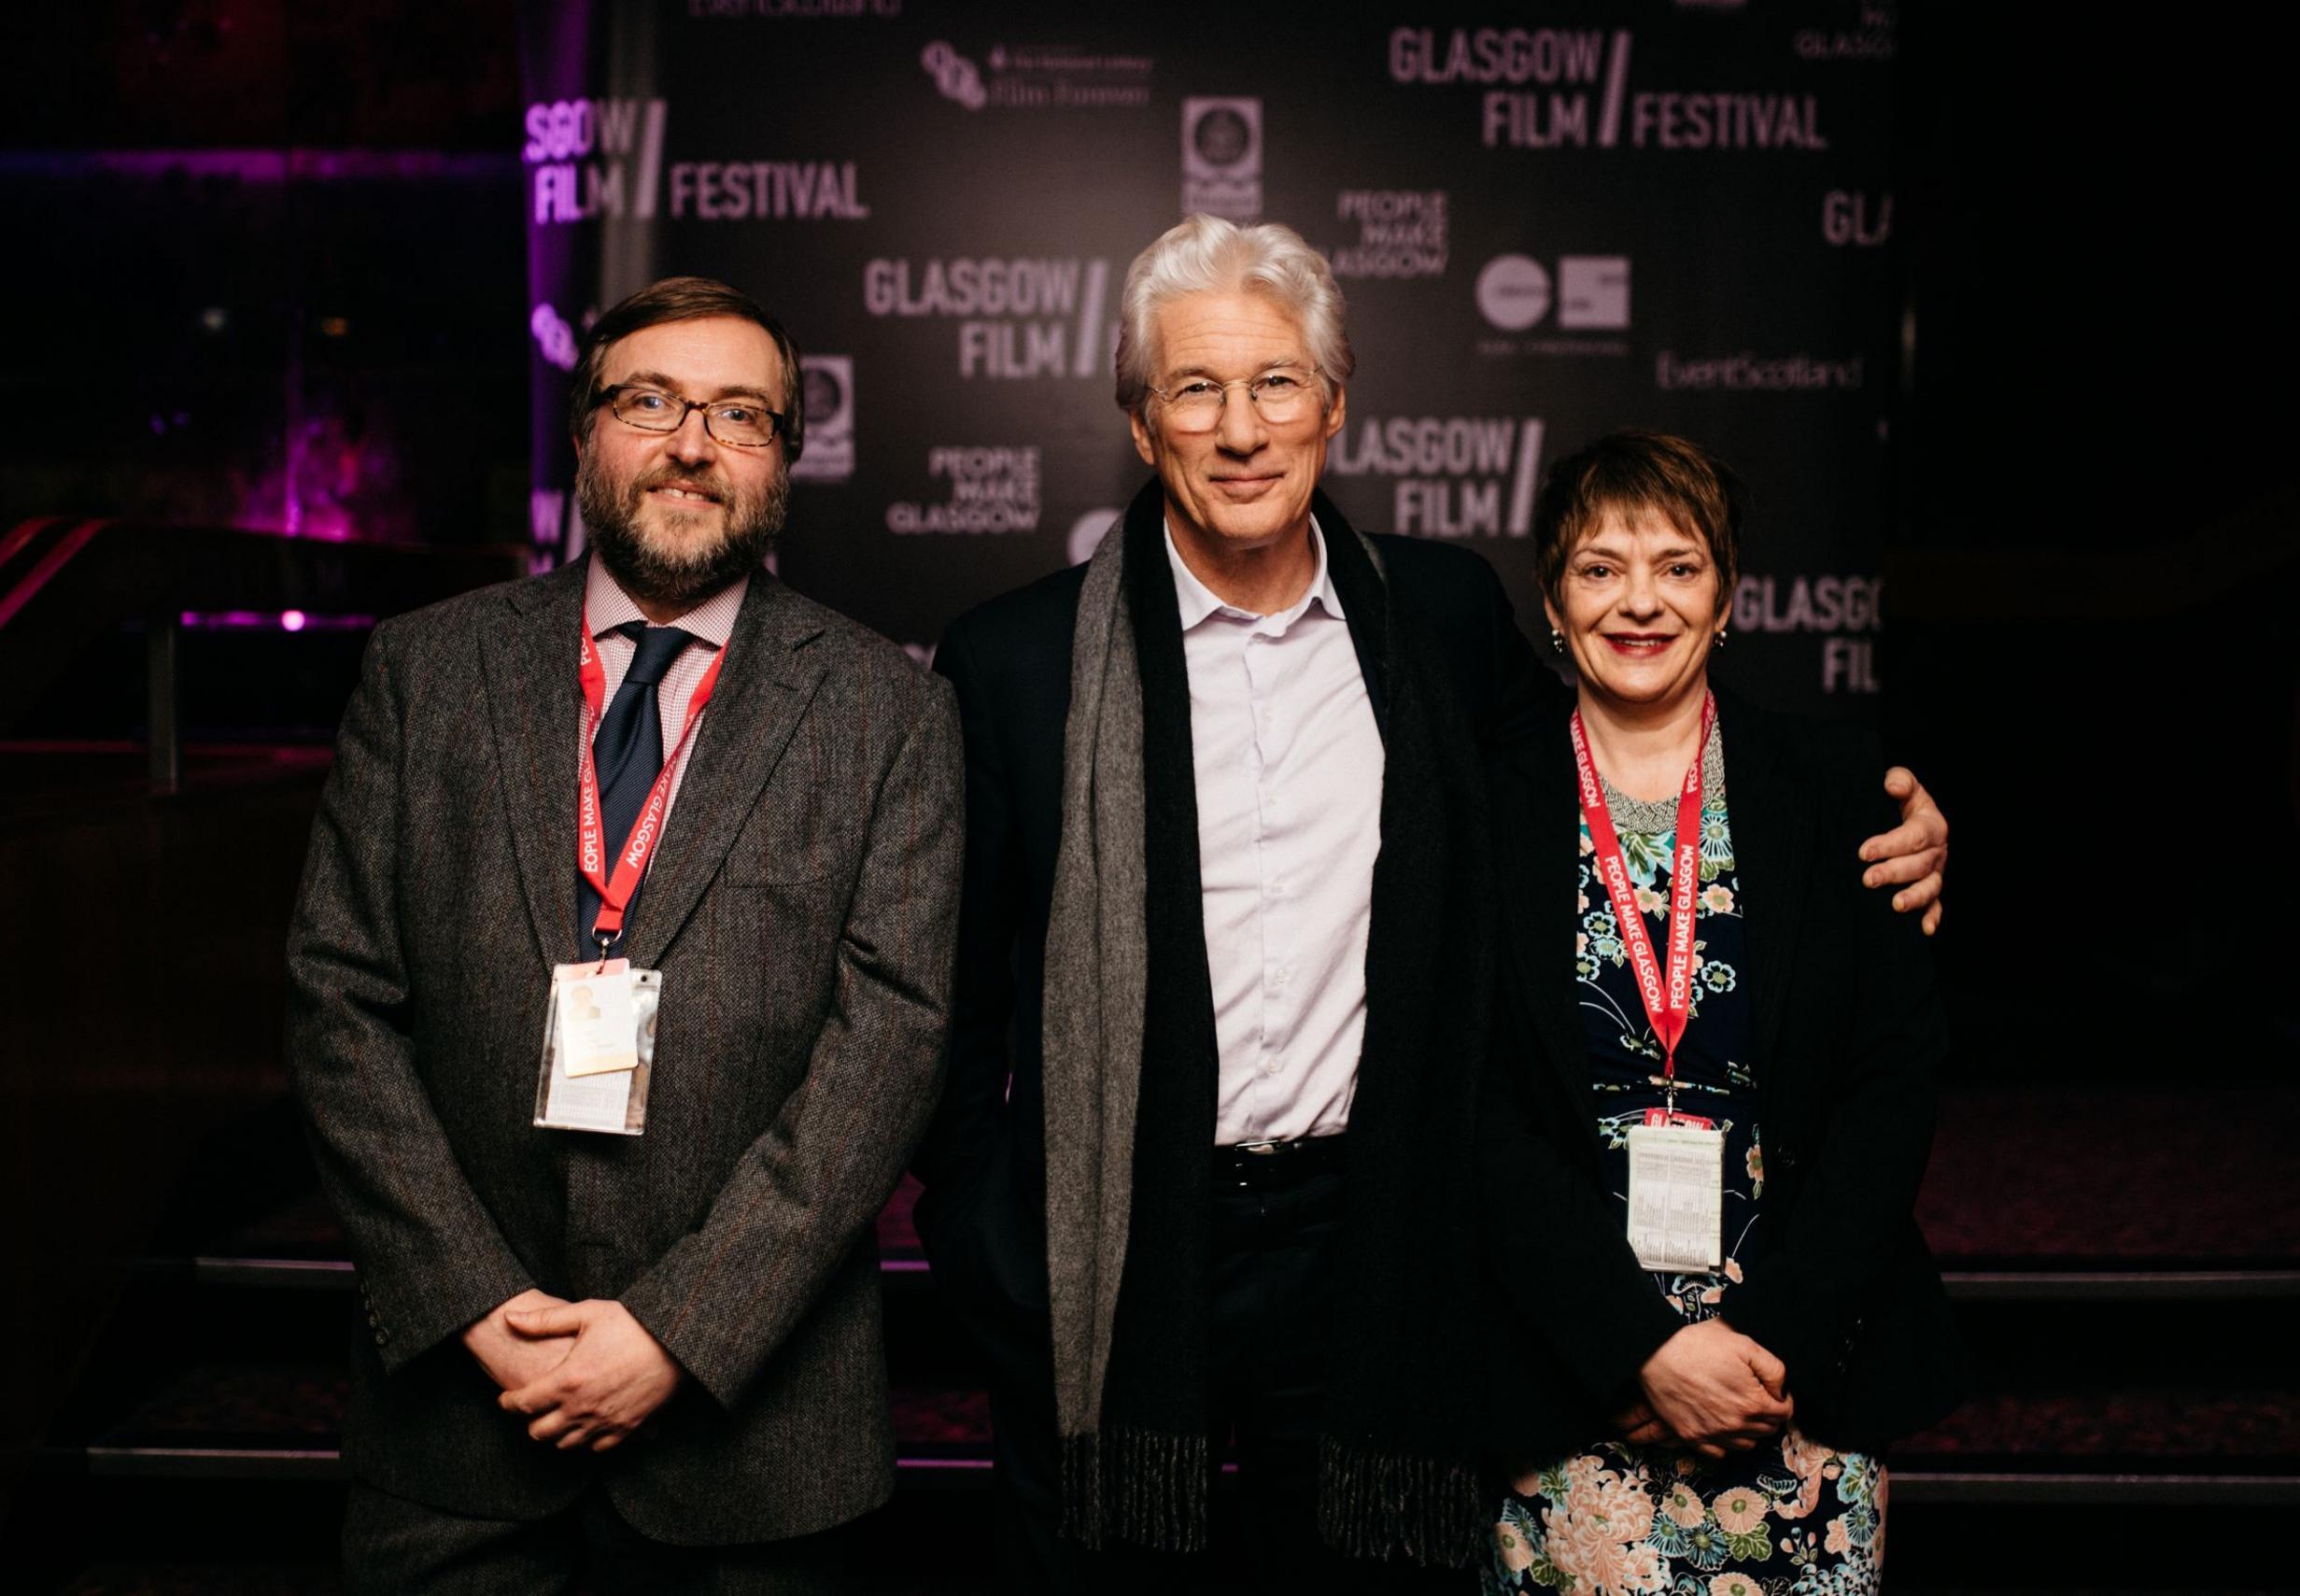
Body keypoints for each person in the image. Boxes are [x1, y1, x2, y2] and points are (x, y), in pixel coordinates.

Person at [910, 217, 1953, 1592]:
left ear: (1335, 406)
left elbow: (1625, 764)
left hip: (1381, 1239)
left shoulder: (1444, 621)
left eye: (1278, 382)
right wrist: (1001, 1256)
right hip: (1117, 1254)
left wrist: (1888, 822)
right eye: (1196, 387)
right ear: (1137, 415)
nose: (1241, 428)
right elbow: (950, 1009)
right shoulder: (1015, 662)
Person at [283, 275, 962, 1593]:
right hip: (459, 1436)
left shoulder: (890, 710)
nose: (692, 443)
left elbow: (889, 1049)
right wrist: (477, 1305)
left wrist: (677, 1332)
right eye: (650, 400)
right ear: (588, 432)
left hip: (758, 1446)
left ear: (783, 460)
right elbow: (335, 1000)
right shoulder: (425, 672)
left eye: (739, 414)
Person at [1476, 431, 1964, 1594]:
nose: (1638, 600)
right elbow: (1468, 1107)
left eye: (1676, 564)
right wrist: (1636, 1348)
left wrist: (1763, 1347)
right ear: (1551, 596)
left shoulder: (1842, 789)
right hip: (1573, 1374)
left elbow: (1892, 1084)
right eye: (1599, 567)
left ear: (1726, 592)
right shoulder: (1483, 801)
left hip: (1793, 1375)